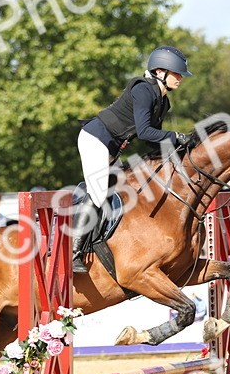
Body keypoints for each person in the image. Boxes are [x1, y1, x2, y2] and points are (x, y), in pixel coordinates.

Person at [72, 45, 192, 273]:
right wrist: (176, 136)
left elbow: (152, 142)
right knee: (98, 193)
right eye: (176, 73)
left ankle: (103, 244)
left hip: (111, 147)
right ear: (159, 72)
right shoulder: (143, 90)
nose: (180, 78)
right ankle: (74, 252)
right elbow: (145, 131)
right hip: (95, 139)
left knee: (122, 189)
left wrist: (180, 151)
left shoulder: (163, 102)